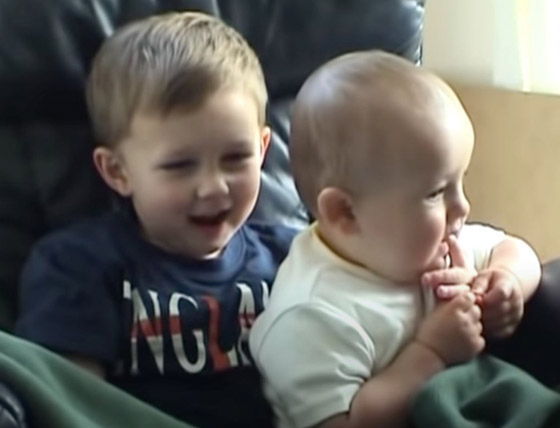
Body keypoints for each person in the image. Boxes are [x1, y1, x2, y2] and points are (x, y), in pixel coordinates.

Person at [15, 12, 298, 428]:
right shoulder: (78, 266)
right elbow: (70, 403)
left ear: (263, 148)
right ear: (118, 172)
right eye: (180, 165)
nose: (213, 187)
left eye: (236, 158)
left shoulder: (297, 257)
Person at [249, 50, 541, 428]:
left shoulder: (430, 245)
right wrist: (431, 352)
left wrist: (504, 280)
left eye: (460, 181)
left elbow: (515, 250)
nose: (463, 206)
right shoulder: (310, 317)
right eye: (436, 192)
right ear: (345, 213)